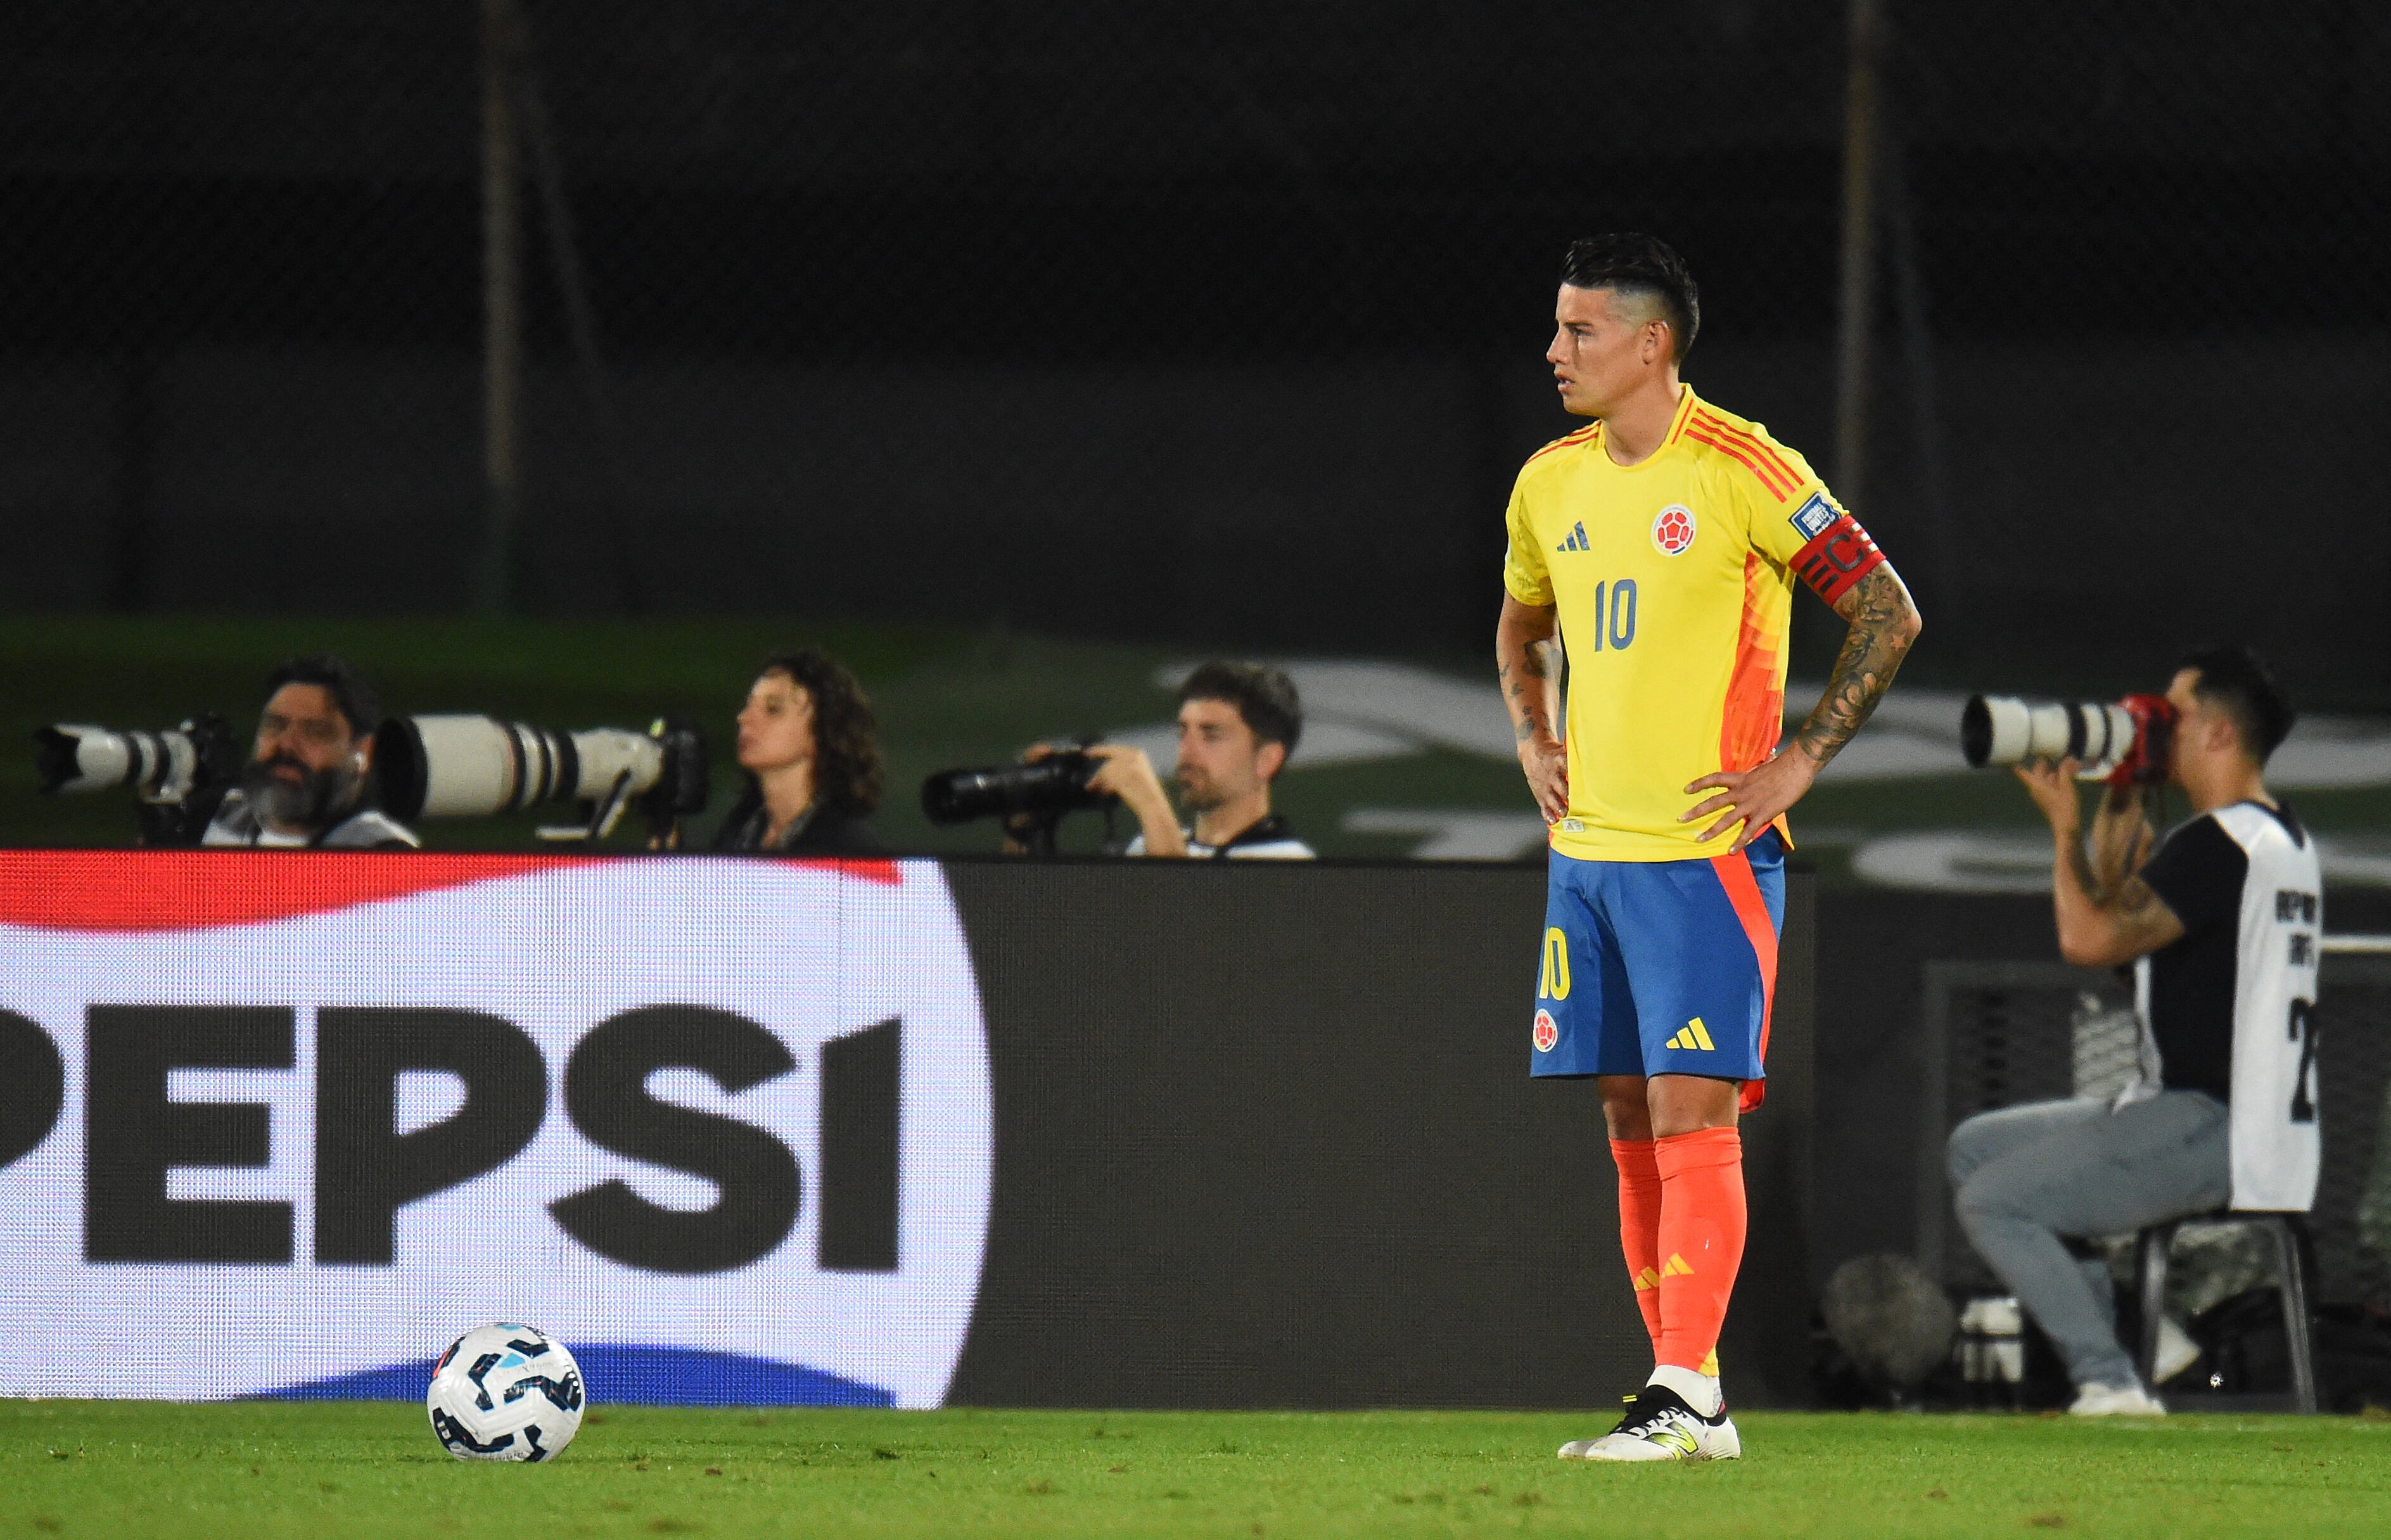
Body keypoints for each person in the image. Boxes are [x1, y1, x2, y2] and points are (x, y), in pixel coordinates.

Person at [1495, 234, 1922, 1461]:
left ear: (1651, 344)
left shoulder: (1745, 466)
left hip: (1704, 856)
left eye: (1579, 330)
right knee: (1628, 1114)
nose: (1555, 349)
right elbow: (1520, 627)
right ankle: (1686, 1390)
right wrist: (1532, 739)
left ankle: (1682, 1391)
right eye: (1556, 326)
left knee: (1690, 1106)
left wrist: (1798, 761)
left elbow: (1887, 610)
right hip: (1590, 857)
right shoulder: (1548, 482)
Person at [1948, 646, 2320, 1416]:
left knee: (1994, 1200)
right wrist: (2119, 815)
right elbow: (2130, 955)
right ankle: (2154, 1342)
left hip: (2217, 1124)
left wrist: (2063, 831)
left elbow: (2086, 941)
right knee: (1975, 1149)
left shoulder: (2217, 844)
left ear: (2219, 733)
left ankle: (2111, 1381)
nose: (2155, 725)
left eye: (2173, 714)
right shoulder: (2276, 837)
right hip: (2243, 1120)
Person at [1040, 662, 1312, 858]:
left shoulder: (1291, 865)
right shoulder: (1147, 847)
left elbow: (1181, 914)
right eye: (1183, 733)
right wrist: (1027, 834)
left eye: (1211, 736)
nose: (1186, 751)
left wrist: (1151, 806)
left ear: (1267, 760)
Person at [200, 655, 419, 850]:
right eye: (275, 725)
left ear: (364, 751)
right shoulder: (216, 818)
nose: (286, 744)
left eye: (315, 732)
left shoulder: (382, 854)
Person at [711, 648, 886, 855]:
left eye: (773, 709)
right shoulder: (739, 828)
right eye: (749, 705)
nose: (743, 718)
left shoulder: (847, 847)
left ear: (822, 730)